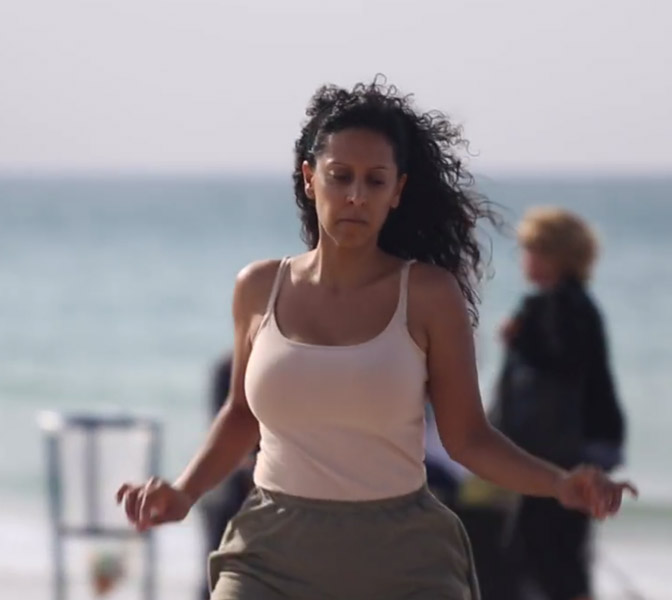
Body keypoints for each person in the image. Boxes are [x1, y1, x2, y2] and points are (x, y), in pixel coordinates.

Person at [116, 77, 636, 600]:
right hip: (270, 550)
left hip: (401, 556)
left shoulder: (430, 295)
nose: (356, 196)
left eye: (375, 180)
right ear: (308, 179)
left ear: (398, 191)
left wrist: (561, 484)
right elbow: (239, 416)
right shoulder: (258, 288)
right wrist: (182, 491)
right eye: (340, 177)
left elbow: (469, 438)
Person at [493, 207, 626, 600]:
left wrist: (519, 339)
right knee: (556, 553)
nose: (525, 259)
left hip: (563, 451)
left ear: (555, 254)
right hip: (579, 444)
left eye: (532, 250)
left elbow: (562, 367)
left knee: (547, 555)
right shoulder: (575, 303)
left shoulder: (558, 306)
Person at [197, 352, 255, 599]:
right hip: (237, 476)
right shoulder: (227, 369)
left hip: (275, 471)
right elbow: (223, 437)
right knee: (224, 499)